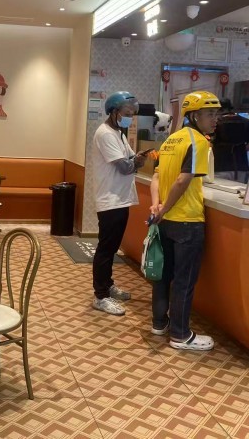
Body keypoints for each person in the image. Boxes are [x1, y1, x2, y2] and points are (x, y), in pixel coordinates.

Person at [149, 91, 220, 351]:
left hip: (166, 221)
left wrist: (157, 206)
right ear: (194, 116)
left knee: (163, 276)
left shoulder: (171, 140)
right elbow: (183, 180)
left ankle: (159, 323)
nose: (215, 119)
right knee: (184, 280)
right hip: (188, 221)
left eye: (216, 114)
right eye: (209, 114)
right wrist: (165, 207)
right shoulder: (199, 141)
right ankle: (180, 335)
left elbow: (156, 177)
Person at [90, 91, 147, 315]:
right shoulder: (105, 134)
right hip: (110, 200)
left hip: (121, 199)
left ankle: (108, 285)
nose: (130, 118)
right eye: (127, 113)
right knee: (106, 249)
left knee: (112, 247)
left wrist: (137, 159)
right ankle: (100, 296)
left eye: (132, 114)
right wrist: (136, 162)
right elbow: (125, 167)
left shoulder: (119, 134)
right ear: (114, 111)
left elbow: (130, 159)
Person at [212, 98, 249, 183]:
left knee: (219, 190)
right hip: (241, 166)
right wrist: (239, 150)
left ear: (219, 109)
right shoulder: (246, 121)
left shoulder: (216, 123)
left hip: (220, 165)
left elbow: (210, 144)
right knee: (238, 190)